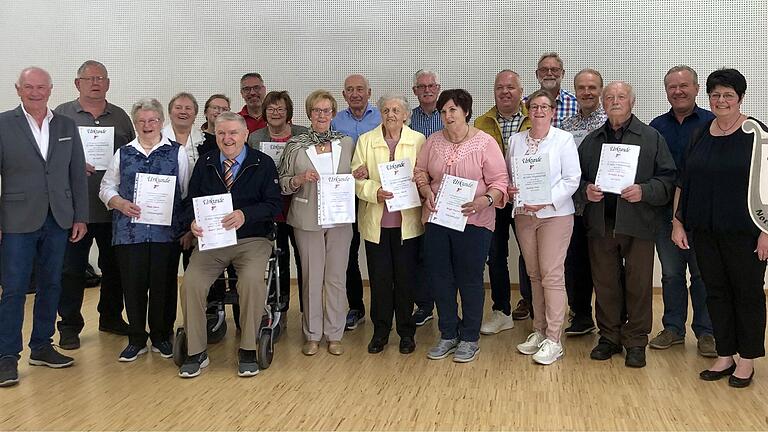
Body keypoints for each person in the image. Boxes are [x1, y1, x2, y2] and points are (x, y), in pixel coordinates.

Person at [675, 68, 767, 388]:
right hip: (704, 231)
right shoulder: (700, 133)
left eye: (728, 94)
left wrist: (767, 231)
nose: (721, 100)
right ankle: (725, 354)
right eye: (715, 95)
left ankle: (747, 360)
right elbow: (685, 181)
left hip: (746, 234)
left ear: (740, 98)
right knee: (715, 292)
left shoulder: (756, 133)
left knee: (748, 294)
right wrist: (678, 221)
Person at [576, 81, 676, 369]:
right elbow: (575, 179)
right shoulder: (592, 141)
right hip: (601, 224)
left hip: (639, 223)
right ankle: (609, 337)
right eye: (609, 97)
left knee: (639, 285)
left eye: (621, 97)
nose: (615, 101)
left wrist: (645, 191)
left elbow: (668, 179)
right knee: (605, 284)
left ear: (632, 102)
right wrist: (587, 191)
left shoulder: (652, 137)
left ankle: (635, 341)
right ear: (603, 104)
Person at [0, 67, 88, 387]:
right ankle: (6, 356)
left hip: (59, 217)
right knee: (13, 289)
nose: (35, 92)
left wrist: (80, 215)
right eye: (29, 87)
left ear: (51, 90)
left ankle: (41, 345)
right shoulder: (3, 124)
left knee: (52, 283)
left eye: (41, 87)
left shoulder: (65, 124)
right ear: (18, 89)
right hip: (16, 219)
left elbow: (76, 173)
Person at [178, 111, 282, 378]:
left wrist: (245, 215)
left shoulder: (263, 163)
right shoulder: (206, 163)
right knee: (191, 283)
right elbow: (190, 202)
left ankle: (248, 347)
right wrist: (191, 223)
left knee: (249, 281)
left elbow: (274, 205)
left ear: (245, 135)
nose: (227, 138)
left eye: (233, 132)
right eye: (222, 133)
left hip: (252, 239)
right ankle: (196, 350)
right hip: (213, 240)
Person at [415, 89, 509, 363]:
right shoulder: (433, 141)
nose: (447, 115)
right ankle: (447, 333)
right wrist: (425, 190)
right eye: (443, 111)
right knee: (439, 277)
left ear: (466, 112)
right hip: (438, 219)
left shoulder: (484, 143)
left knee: (469, 279)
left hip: (475, 221)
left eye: (453, 110)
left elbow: (500, 181)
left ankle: (469, 337)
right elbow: (420, 171)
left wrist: (485, 200)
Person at [99, 98, 189, 362]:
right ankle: (136, 338)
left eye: (153, 120)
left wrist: (184, 229)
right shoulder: (124, 152)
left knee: (163, 285)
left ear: (161, 122)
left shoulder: (177, 152)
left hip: (166, 234)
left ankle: (162, 336)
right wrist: (118, 202)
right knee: (133, 286)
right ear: (135, 124)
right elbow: (106, 187)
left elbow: (184, 192)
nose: (147, 125)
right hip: (130, 233)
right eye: (142, 121)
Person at [55, 60, 134, 350]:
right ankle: (69, 326)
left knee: (114, 267)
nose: (96, 83)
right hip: (74, 209)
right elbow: (48, 158)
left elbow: (134, 155)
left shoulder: (121, 118)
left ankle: (111, 317)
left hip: (112, 209)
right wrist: (71, 164)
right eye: (89, 79)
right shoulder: (61, 115)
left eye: (101, 78)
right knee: (71, 270)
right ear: (78, 84)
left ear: (108, 83)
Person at [508, 90, 581, 365]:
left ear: (552, 111)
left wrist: (546, 199)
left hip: (555, 215)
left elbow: (572, 179)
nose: (539, 111)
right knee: (534, 274)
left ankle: (554, 338)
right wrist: (512, 188)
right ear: (528, 110)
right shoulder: (516, 141)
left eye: (544, 106)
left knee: (551, 274)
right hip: (524, 214)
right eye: (534, 106)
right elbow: (510, 175)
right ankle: (538, 331)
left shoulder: (563, 140)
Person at [279, 90, 355, 356]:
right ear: (309, 113)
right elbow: (283, 183)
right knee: (312, 277)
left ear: (333, 113)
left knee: (336, 278)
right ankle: (312, 334)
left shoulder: (346, 143)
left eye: (326, 111)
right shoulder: (295, 145)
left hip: (339, 219)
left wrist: (359, 174)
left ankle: (334, 334)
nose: (321, 115)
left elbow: (354, 176)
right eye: (316, 110)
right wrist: (299, 179)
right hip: (306, 218)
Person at [649, 65, 716, 357]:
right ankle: (673, 328)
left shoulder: (712, 122)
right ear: (666, 91)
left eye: (684, 86)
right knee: (672, 274)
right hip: (665, 214)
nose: (678, 91)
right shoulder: (657, 126)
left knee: (703, 275)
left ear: (697, 88)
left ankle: (707, 332)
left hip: (703, 214)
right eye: (672, 87)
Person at [352, 93, 426, 354]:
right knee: (380, 281)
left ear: (406, 115)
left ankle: (406, 332)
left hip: (408, 224)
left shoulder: (418, 140)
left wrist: (419, 182)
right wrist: (375, 191)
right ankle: (380, 331)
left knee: (406, 280)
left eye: (396, 110)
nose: (391, 114)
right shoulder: (366, 140)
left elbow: (424, 174)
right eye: (386, 109)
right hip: (377, 224)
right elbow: (356, 178)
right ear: (380, 113)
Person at [475, 70, 533, 333]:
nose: (505, 92)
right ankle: (502, 311)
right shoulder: (480, 122)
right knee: (495, 255)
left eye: (511, 87)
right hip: (494, 199)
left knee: (530, 254)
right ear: (494, 92)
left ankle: (535, 309)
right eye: (500, 87)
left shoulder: (535, 118)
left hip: (527, 198)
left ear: (521, 92)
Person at [248, 90, 308, 314]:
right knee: (278, 258)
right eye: (271, 109)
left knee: (304, 259)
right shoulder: (255, 138)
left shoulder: (303, 135)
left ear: (288, 112)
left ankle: (307, 310)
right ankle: (278, 308)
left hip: (299, 204)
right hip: (272, 209)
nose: (275, 113)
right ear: (265, 112)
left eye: (280, 109)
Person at [330, 74, 382, 331]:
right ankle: (356, 307)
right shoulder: (335, 121)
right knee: (348, 253)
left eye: (360, 89)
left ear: (369, 92)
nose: (355, 94)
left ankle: (383, 308)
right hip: (344, 195)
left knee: (378, 251)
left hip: (375, 193)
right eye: (349, 90)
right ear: (344, 95)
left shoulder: (381, 117)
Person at [559, 68, 608, 336]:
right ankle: (581, 315)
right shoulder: (565, 127)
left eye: (592, 87)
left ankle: (612, 317)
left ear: (600, 90)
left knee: (605, 265)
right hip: (574, 206)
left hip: (604, 206)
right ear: (574, 91)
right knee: (575, 263)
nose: (587, 92)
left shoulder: (611, 122)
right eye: (581, 88)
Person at [163, 93, 205, 271]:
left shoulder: (208, 143)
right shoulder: (156, 141)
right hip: (164, 215)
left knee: (196, 272)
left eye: (188, 108)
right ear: (170, 112)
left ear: (195, 114)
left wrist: (191, 224)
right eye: (178, 108)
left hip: (198, 215)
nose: (183, 112)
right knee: (165, 272)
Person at [530, 52, 578, 128]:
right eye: (544, 70)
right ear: (537, 74)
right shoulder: (527, 103)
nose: (549, 73)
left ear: (562, 74)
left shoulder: (576, 103)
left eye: (554, 70)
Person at [410, 69, 443, 138]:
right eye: (422, 86)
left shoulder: (449, 117)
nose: (427, 90)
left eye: (431, 86)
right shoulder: (408, 118)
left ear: (438, 89)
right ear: (415, 91)